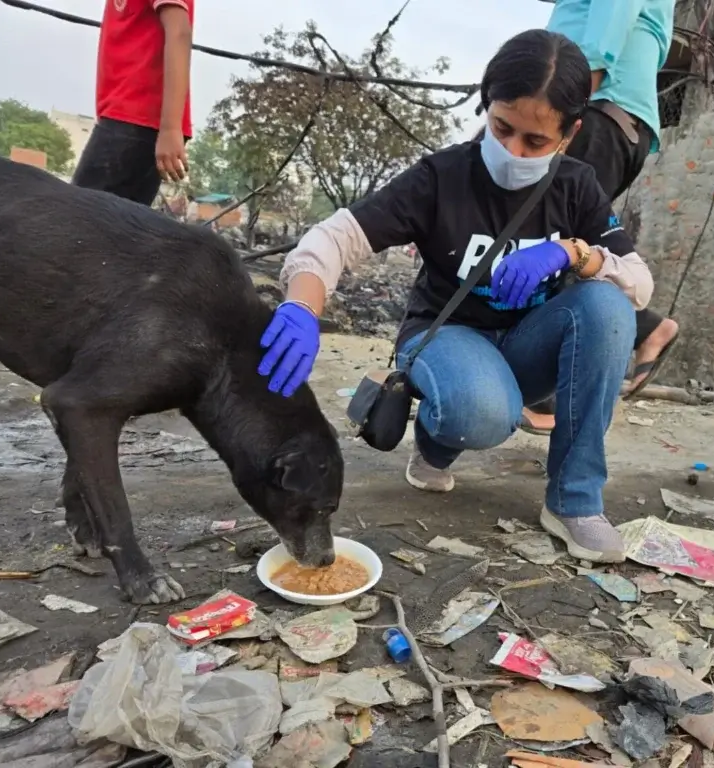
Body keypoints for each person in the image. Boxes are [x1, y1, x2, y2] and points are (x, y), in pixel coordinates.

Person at [257, 30, 653, 563]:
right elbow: (336, 236)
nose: (513, 151)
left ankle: (574, 502)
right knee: (483, 413)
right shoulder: (441, 177)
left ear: (569, 134)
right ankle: (435, 440)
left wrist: (573, 253)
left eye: (535, 142)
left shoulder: (576, 186)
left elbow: (639, 283)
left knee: (607, 306)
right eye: (502, 128)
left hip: (523, 343)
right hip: (446, 335)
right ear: (486, 106)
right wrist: (302, 304)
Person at [521, 0, 680, 435]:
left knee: (550, 239)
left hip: (597, 111)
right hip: (611, 117)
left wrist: (558, 110)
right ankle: (646, 327)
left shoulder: (580, 97)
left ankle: (549, 396)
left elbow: (607, 34)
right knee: (558, 237)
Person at [71, 0, 194, 205]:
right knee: (107, 230)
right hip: (128, 119)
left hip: (137, 119)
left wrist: (170, 128)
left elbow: (179, 31)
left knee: (75, 219)